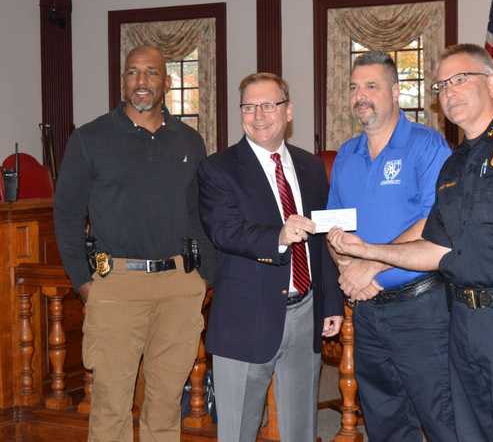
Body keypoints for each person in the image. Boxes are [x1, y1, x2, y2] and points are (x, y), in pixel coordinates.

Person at [328, 43, 493, 442]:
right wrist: (366, 253)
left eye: (459, 79)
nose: (448, 91)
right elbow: (435, 249)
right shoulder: (455, 166)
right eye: (441, 85)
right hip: (464, 321)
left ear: (491, 81)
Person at [54, 44, 214, 442]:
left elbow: (200, 213)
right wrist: (84, 282)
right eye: (132, 73)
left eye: (151, 73)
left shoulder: (189, 142)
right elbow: (68, 214)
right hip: (116, 285)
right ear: (123, 80)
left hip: (179, 287)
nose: (141, 82)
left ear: (167, 81)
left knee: (165, 404)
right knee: (110, 406)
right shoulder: (90, 139)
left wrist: (204, 277)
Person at [197, 72, 344, 441]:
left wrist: (331, 302)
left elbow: (321, 237)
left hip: (305, 312)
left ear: (288, 111)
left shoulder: (310, 166)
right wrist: (277, 236)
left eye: (268, 105)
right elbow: (224, 231)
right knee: (238, 432)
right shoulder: (218, 168)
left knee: (300, 430)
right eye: (249, 106)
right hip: (245, 317)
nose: (258, 115)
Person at [327, 51, 455, 441]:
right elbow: (335, 226)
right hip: (366, 311)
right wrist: (347, 271)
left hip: (420, 310)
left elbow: (437, 216)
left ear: (396, 92)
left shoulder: (426, 145)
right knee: (383, 417)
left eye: (371, 86)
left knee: (441, 415)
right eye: (354, 87)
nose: (360, 95)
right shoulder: (347, 155)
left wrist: (372, 265)